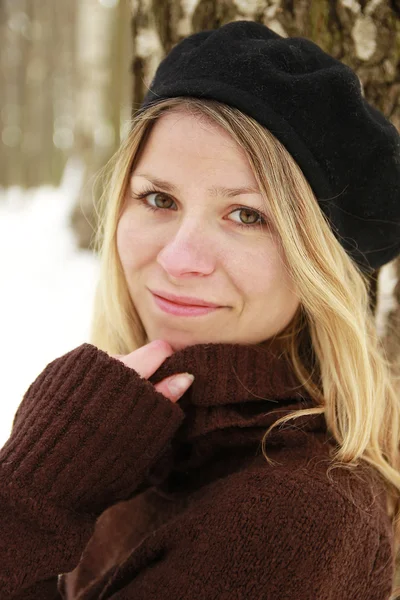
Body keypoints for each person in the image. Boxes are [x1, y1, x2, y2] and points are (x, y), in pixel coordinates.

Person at [1, 20, 400, 600]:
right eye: (159, 199)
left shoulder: (289, 519)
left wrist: (28, 501)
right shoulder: (138, 444)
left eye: (247, 215)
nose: (180, 258)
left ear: (320, 264)